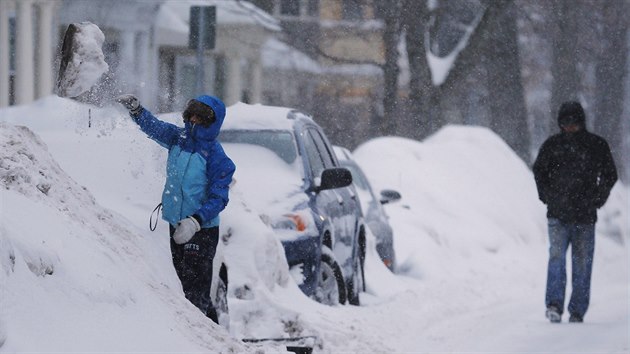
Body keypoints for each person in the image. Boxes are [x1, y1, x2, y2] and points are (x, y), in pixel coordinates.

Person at [116, 94, 235, 324]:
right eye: (191, 114)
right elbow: (156, 128)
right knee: (182, 288)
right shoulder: (178, 138)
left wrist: (195, 221)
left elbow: (219, 197)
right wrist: (137, 111)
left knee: (194, 294)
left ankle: (198, 339)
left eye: (200, 118)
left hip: (201, 231)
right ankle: (214, 336)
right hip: (176, 226)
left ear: (211, 122)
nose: (192, 120)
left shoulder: (216, 157)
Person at [533, 101, 617, 324]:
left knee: (581, 263)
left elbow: (610, 174)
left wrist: (598, 198)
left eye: (573, 122)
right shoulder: (552, 146)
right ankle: (554, 305)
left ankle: (577, 310)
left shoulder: (596, 145)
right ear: (560, 123)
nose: (569, 127)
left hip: (584, 216)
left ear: (581, 122)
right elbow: (539, 170)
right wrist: (546, 196)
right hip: (558, 215)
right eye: (565, 123)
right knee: (557, 259)